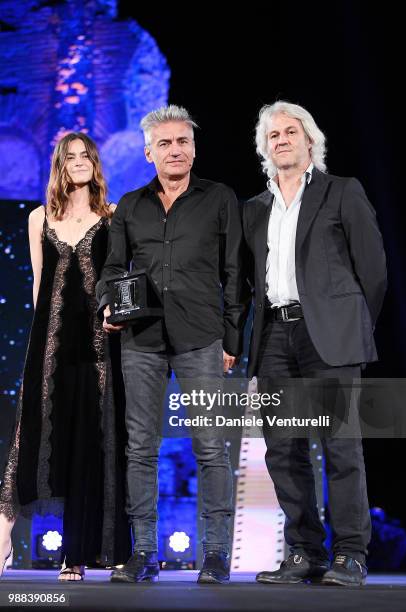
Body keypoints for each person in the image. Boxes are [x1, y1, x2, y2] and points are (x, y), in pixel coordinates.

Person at [97, 105, 249, 584]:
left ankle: (216, 555)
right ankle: (144, 554)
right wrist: (107, 303)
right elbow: (112, 269)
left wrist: (231, 336)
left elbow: (235, 272)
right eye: (164, 144)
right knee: (141, 448)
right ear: (148, 153)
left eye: (182, 141)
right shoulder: (130, 206)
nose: (175, 149)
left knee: (210, 448)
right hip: (140, 339)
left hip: (202, 337)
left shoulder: (219, 198)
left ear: (194, 148)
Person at [243, 101, 387, 586]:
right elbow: (248, 283)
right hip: (273, 337)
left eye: (290, 131)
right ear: (266, 147)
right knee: (283, 451)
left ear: (310, 141)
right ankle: (304, 552)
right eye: (273, 135)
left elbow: (374, 271)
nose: (281, 139)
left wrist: (349, 324)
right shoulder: (254, 208)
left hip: (329, 337)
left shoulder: (341, 192)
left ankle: (351, 553)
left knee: (341, 447)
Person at [0, 132, 130, 580]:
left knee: (89, 444)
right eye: (70, 157)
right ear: (59, 165)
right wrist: (39, 351)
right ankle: (3, 538)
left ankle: (75, 556)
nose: (78, 162)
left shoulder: (113, 217)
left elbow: (117, 282)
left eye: (85, 156)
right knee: (33, 436)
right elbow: (40, 287)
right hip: (50, 345)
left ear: (95, 163)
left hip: (98, 348)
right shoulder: (40, 218)